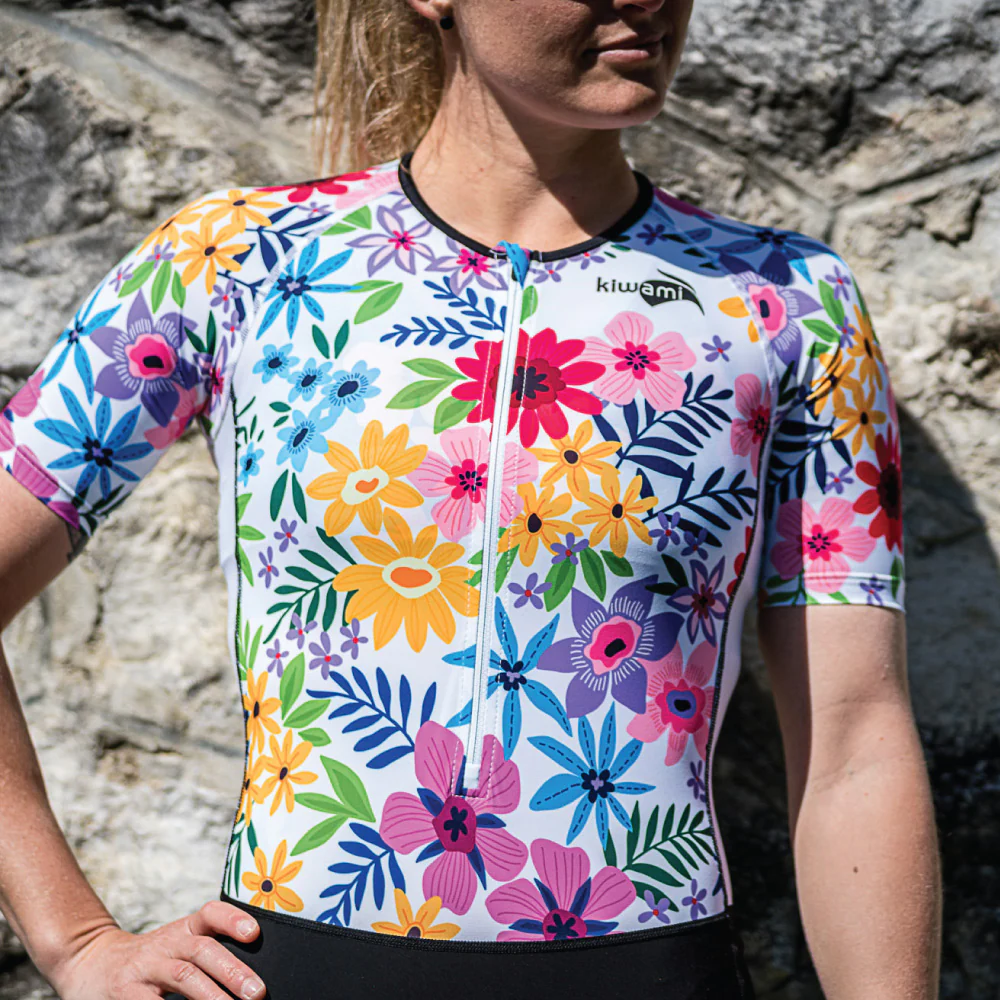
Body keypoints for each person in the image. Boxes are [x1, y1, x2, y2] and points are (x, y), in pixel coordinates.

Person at [0, 0, 943, 997]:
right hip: (300, 972)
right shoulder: (238, 263)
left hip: (649, 971)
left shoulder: (785, 300)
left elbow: (854, 741)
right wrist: (78, 940)